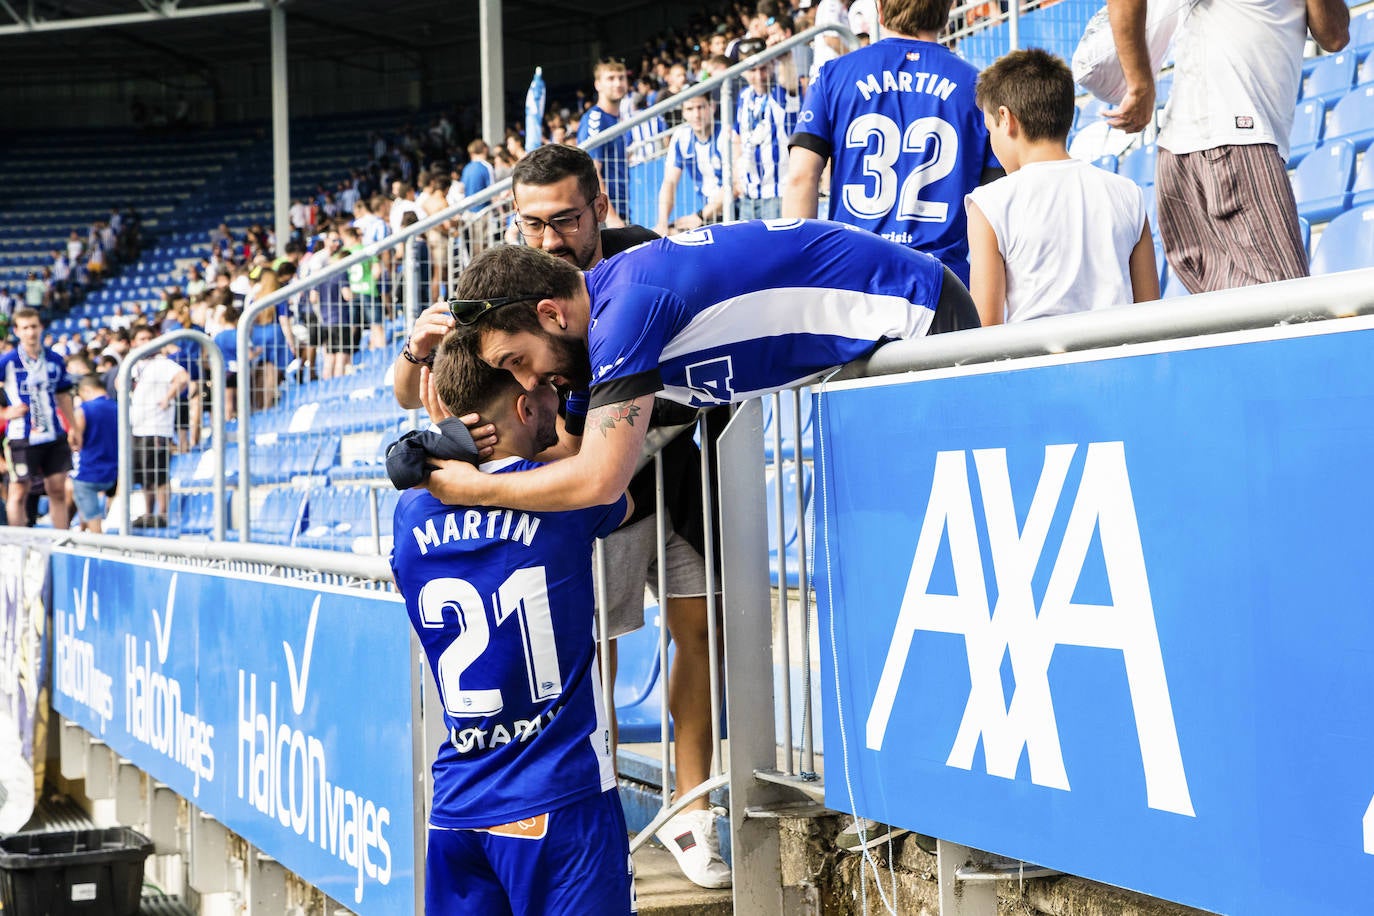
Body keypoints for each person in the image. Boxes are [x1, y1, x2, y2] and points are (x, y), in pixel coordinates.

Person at [395, 143, 733, 888]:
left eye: (564, 220)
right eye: (531, 223)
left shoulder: (642, 261)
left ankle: (690, 812)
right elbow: (424, 393)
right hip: (580, 495)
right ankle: (597, 810)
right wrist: (414, 351)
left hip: (680, 476)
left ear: (600, 208)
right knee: (588, 650)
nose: (548, 238)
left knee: (699, 632)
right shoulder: (503, 295)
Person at [425, 219, 976, 512]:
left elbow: (599, 478)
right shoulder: (587, 337)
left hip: (920, 313)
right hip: (890, 343)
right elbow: (567, 451)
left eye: (518, 361)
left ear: (550, 313)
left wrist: (475, 490)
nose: (527, 381)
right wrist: (459, 451)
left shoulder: (625, 310)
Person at [389, 343, 635, 915]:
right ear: (525, 408)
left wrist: (445, 435)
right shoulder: (568, 499)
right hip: (560, 799)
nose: (555, 393)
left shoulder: (409, 514)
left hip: (459, 804)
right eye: (548, 385)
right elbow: (612, 493)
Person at [1107, 0, 1349, 293]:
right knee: (1289, 307)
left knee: (1236, 319)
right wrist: (1140, 84)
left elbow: (1335, 35)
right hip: (1232, 140)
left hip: (1202, 144)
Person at [784, 0, 1001, 284]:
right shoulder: (977, 86)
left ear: (880, 9)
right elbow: (995, 201)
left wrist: (801, 277)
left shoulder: (833, 75)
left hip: (853, 273)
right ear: (946, 10)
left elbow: (801, 177)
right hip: (940, 282)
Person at [966, 49, 1159, 325]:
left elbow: (985, 330)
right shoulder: (1128, 194)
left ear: (1006, 119)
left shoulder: (989, 204)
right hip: (1120, 361)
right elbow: (1150, 317)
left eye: (990, 129)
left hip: (1037, 365)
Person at [1, 308, 78, 529]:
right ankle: (17, 543)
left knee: (57, 488)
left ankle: (62, 539)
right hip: (21, 436)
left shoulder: (54, 359)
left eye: (34, 326)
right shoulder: (8, 361)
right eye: (25, 328)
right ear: (17, 331)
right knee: (19, 491)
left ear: (41, 327)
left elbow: (63, 395)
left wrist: (73, 428)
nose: (31, 332)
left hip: (53, 433)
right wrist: (5, 413)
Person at [128, 325, 189, 529]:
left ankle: (162, 514)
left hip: (156, 427)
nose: (145, 343)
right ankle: (148, 513)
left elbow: (183, 378)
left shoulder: (162, 363)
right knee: (145, 476)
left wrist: (167, 398)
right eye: (141, 339)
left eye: (148, 338)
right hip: (138, 427)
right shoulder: (134, 364)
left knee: (159, 473)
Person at [734, 37, 799, 221]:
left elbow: (790, 84)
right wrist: (736, 176)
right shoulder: (744, 96)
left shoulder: (779, 93)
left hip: (777, 194)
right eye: (752, 70)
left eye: (763, 68)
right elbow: (737, 136)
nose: (758, 76)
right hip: (748, 195)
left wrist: (786, 59)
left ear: (771, 65)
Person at [656, 95, 728, 236]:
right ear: (683, 112)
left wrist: (700, 216)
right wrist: (662, 223)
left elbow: (734, 186)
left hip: (734, 211)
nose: (696, 115)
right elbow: (669, 182)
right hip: (708, 215)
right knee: (666, 234)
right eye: (690, 109)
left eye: (700, 107)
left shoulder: (725, 134)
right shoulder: (681, 137)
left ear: (711, 107)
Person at [577, 58, 632, 227]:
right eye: (611, 78)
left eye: (621, 77)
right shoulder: (596, 118)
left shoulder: (619, 119)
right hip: (603, 215)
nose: (618, 83)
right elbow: (593, 171)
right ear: (598, 84)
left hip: (619, 208)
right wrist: (611, 216)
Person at [70, 374, 118, 533]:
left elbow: (74, 440)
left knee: (93, 516)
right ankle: (84, 531)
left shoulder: (84, 409)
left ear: (86, 390)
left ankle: (98, 549)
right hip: (113, 471)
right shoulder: (118, 407)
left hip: (89, 470)